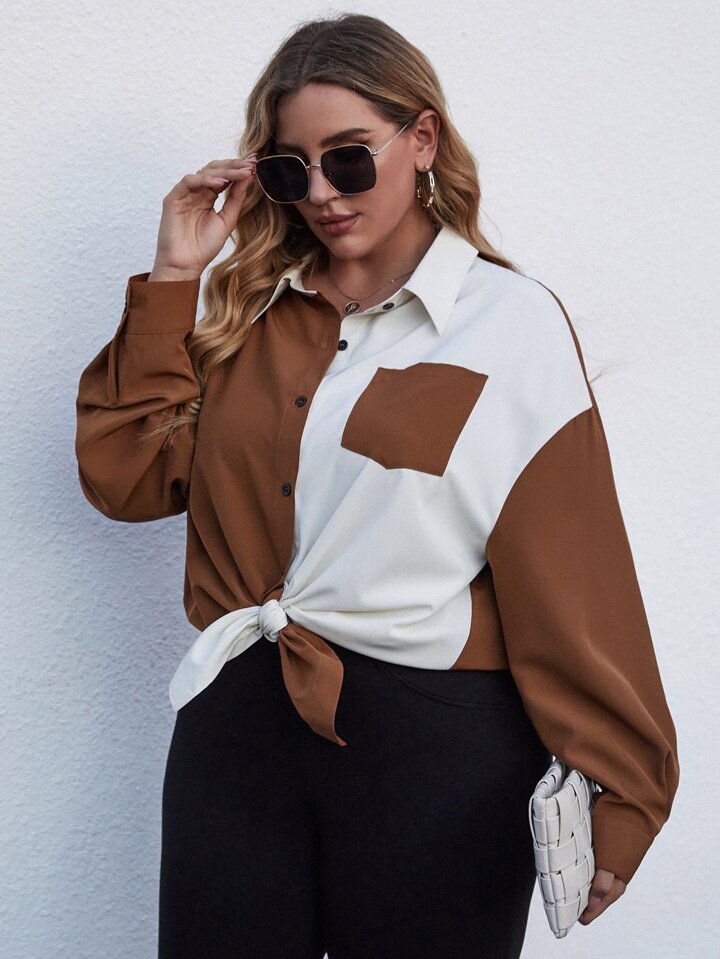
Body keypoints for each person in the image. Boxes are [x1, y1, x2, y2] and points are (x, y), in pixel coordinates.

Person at [74, 12, 680, 959]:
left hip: (436, 755)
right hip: (237, 735)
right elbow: (127, 478)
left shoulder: (508, 324)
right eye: (290, 170)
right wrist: (174, 278)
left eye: (349, 158)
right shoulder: (250, 313)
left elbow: (575, 574)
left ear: (422, 139)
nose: (320, 193)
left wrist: (625, 787)